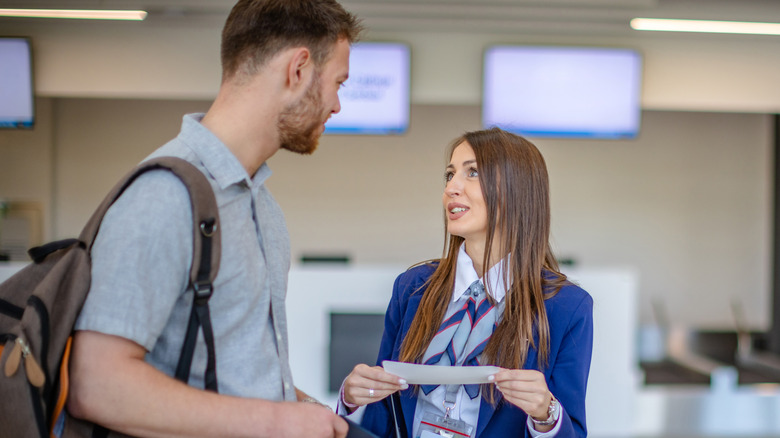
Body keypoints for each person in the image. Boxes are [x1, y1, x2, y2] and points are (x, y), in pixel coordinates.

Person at [66, 1, 363, 437]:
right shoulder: (166, 195)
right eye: (338, 83)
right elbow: (97, 384)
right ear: (298, 69)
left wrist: (306, 410)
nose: (337, 105)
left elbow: (230, 375)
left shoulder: (262, 207)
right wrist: (275, 421)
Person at [339, 128, 594, 437]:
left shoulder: (566, 308)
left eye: (472, 172)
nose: (451, 188)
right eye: (449, 175)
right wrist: (352, 401)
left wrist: (546, 413)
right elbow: (384, 413)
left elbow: (572, 431)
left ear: (518, 190)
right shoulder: (411, 288)